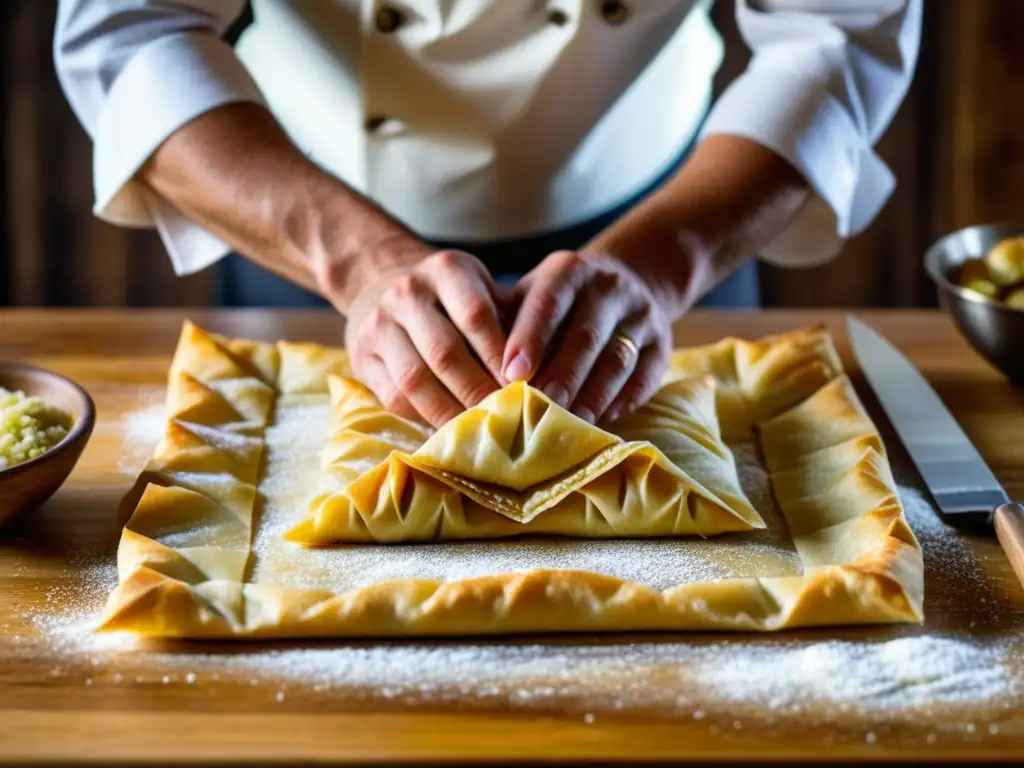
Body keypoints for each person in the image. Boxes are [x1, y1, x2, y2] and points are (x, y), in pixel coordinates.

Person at [54, 0, 921, 428]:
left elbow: (839, 28)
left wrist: (661, 264)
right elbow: (130, 30)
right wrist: (358, 264)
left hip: (676, 214)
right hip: (302, 224)